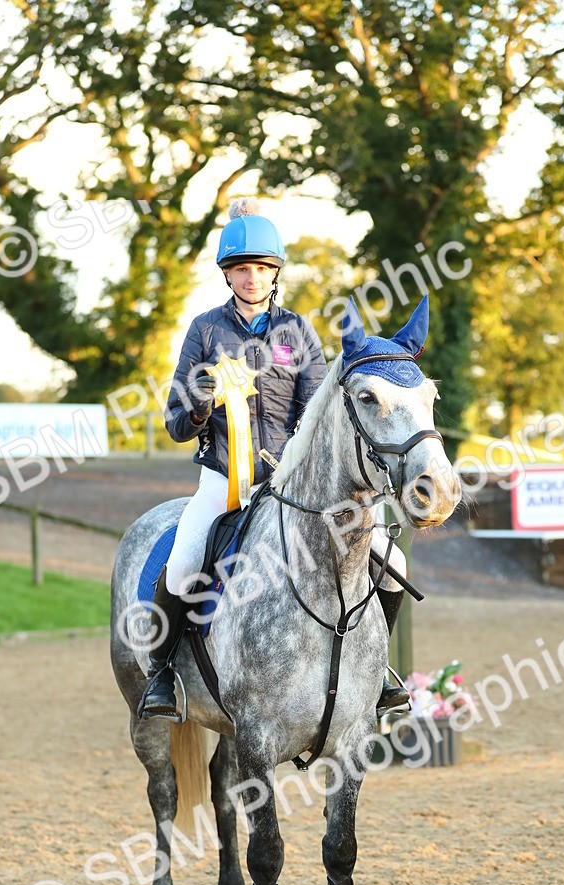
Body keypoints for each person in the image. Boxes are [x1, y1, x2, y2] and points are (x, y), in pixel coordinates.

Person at [137, 198, 409, 720]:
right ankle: (162, 674)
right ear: (227, 275)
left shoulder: (299, 332)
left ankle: (376, 670)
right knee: (184, 563)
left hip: (293, 484)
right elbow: (175, 420)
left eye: (261, 269)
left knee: (390, 561)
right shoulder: (205, 331)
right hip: (223, 479)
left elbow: (321, 411)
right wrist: (205, 403)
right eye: (241, 269)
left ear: (274, 272)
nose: (251, 278)